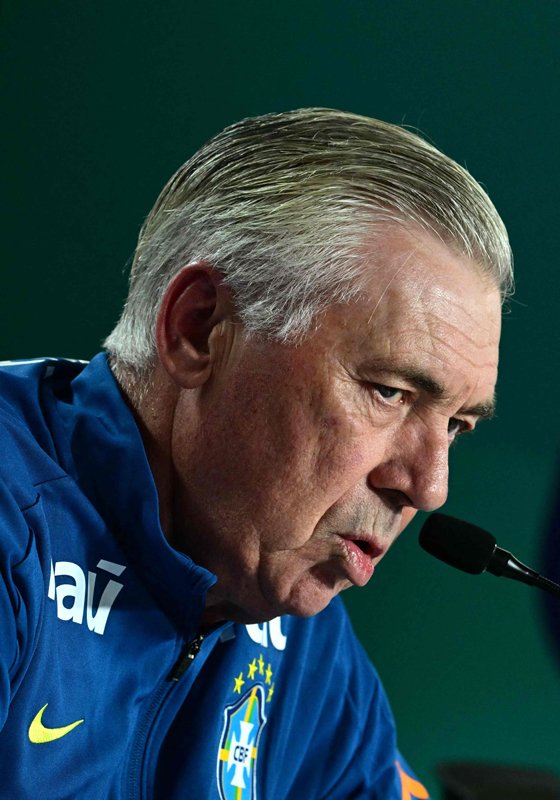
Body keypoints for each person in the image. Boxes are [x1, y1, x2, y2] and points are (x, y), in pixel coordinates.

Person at [0, 108, 512, 798]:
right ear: (199, 329)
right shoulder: (13, 520)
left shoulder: (306, 647)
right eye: (390, 392)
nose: (428, 487)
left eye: (457, 427)